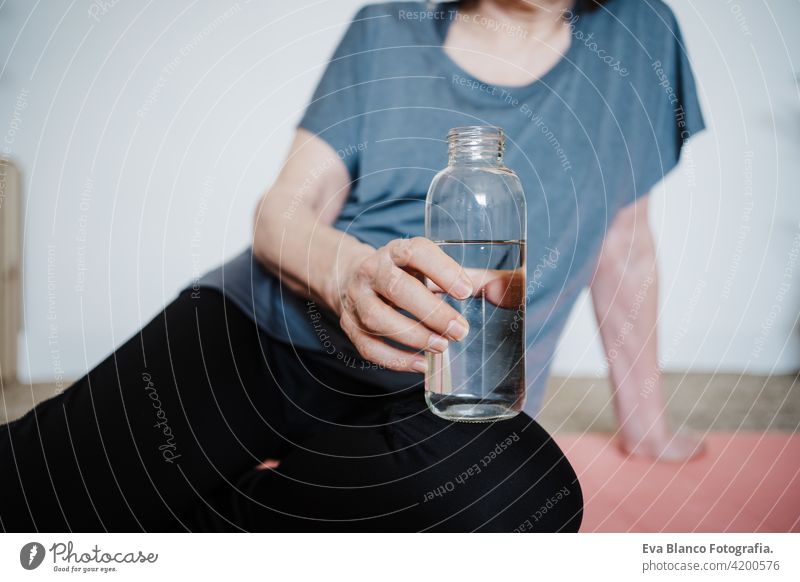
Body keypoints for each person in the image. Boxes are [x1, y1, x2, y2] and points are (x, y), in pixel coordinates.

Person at [0, 0, 703, 532]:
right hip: (268, 331)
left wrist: (645, 422)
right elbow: (283, 211)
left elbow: (624, 241)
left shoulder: (641, 35)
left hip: (455, 394)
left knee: (525, 501)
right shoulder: (386, 28)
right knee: (31, 495)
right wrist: (348, 276)